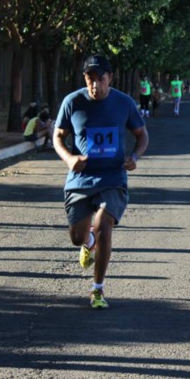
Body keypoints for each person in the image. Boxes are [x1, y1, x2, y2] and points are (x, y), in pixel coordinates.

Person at [53, 55, 149, 309]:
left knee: (105, 224)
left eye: (101, 79)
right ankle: (88, 242)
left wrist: (135, 157)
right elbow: (58, 137)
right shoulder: (72, 102)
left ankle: (98, 289)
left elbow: (142, 135)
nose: (95, 85)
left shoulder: (124, 103)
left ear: (111, 78)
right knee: (76, 237)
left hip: (113, 178)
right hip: (80, 179)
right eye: (90, 79)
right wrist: (69, 158)